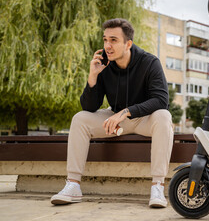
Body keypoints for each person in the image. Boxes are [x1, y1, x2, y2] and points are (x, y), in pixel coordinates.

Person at [50, 18, 174, 208]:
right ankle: (73, 185)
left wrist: (127, 111)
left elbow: (161, 100)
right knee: (80, 119)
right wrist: (93, 77)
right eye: (105, 39)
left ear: (128, 44)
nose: (107, 45)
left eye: (114, 40)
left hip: (144, 119)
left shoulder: (150, 63)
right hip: (115, 119)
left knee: (164, 116)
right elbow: (89, 107)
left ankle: (157, 186)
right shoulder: (104, 65)